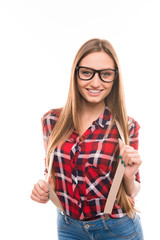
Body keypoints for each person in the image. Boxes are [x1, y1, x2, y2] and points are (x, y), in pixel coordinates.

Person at [31, 38, 144, 239]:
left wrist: (129, 174)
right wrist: (44, 188)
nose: (95, 82)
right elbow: (52, 172)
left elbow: (133, 190)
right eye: (86, 73)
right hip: (68, 227)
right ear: (75, 74)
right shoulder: (51, 121)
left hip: (117, 229)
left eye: (106, 74)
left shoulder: (127, 127)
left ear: (114, 78)